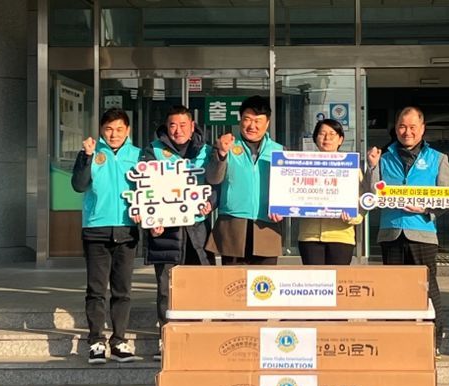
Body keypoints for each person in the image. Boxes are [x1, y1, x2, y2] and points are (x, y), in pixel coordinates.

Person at [364, 106, 449, 354]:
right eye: (402, 126)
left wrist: (425, 208)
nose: (407, 132)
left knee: (427, 287)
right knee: (394, 289)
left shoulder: (438, 158)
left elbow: (448, 197)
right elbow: (371, 195)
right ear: (396, 128)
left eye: (413, 127)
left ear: (422, 129)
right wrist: (372, 167)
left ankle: (434, 339)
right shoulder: (383, 157)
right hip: (391, 231)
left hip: (422, 231)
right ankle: (397, 339)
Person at [143, 105, 215, 360]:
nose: (178, 130)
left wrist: (211, 203)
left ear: (192, 126)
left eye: (183, 125)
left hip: (197, 230)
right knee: (167, 289)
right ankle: (167, 340)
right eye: (173, 125)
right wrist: (150, 216)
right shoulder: (152, 151)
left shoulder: (206, 151)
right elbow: (143, 187)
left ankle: (198, 339)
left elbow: (215, 185)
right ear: (166, 126)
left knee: (199, 287)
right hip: (165, 230)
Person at [71, 108, 142, 365]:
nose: (114, 134)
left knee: (123, 290)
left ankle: (119, 340)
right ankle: (96, 342)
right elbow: (78, 185)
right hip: (96, 229)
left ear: (128, 130)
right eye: (109, 129)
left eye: (119, 129)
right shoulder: (91, 153)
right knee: (96, 290)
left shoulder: (138, 156)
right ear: (101, 130)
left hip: (127, 229)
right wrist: (87, 156)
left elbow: (149, 190)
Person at [205, 95, 284, 265]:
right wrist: (221, 154)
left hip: (266, 225)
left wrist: (283, 207)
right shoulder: (226, 145)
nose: (252, 126)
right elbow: (213, 178)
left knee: (265, 280)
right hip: (232, 225)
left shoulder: (279, 152)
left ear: (267, 123)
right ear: (240, 120)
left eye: (258, 121)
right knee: (233, 280)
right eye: (247, 119)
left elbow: (288, 188)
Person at [298, 119, 363, 265]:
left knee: (338, 278)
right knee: (312, 278)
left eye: (332, 134)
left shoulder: (351, 168)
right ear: (315, 138)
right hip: (309, 236)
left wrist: (352, 217)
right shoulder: (304, 165)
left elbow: (362, 201)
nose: (327, 138)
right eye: (322, 134)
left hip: (341, 236)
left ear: (340, 139)